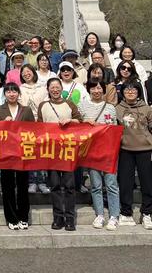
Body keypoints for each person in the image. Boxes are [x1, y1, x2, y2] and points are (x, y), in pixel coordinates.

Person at [37, 78, 82, 231]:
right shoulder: (43, 106)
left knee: (69, 186)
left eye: (57, 87)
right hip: (51, 151)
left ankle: (70, 218)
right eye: (52, 87)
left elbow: (80, 122)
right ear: (48, 89)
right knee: (55, 185)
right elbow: (38, 127)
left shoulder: (69, 104)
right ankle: (58, 217)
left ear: (61, 88)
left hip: (68, 150)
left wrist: (70, 120)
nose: (55, 90)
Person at [0, 83, 35, 229]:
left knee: (23, 185)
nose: (11, 94)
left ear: (18, 94)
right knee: (8, 185)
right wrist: (3, 124)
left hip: (23, 153)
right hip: (6, 153)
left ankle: (23, 216)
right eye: (8, 91)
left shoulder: (26, 110)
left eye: (14, 91)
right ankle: (11, 218)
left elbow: (34, 130)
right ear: (5, 94)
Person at [79, 80, 120, 230]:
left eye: (99, 88)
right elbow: (78, 127)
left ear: (103, 91)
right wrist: (86, 123)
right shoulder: (82, 106)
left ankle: (114, 215)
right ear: (89, 90)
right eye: (93, 88)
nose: (96, 91)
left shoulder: (110, 107)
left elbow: (114, 128)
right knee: (96, 185)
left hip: (109, 150)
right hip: (92, 151)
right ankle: (100, 214)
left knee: (111, 184)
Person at [115, 82, 152, 229]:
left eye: (134, 90)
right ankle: (126, 212)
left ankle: (147, 213)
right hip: (125, 149)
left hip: (145, 148)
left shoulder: (147, 108)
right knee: (125, 182)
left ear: (138, 92)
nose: (130, 92)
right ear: (122, 92)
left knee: (147, 183)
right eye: (127, 90)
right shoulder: (117, 109)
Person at [19, 65, 50, 195]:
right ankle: (32, 181)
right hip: (26, 124)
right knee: (29, 152)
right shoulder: (20, 88)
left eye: (29, 71)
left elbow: (46, 104)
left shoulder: (42, 88)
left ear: (33, 72)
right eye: (24, 72)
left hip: (40, 123)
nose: (27, 74)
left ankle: (42, 181)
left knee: (42, 152)